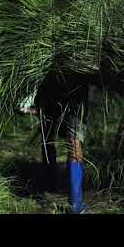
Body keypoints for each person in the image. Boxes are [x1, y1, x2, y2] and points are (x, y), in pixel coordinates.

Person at [33, 74, 89, 214]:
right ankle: (74, 202)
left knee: (58, 139)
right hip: (55, 90)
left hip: (71, 93)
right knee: (63, 140)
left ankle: (73, 202)